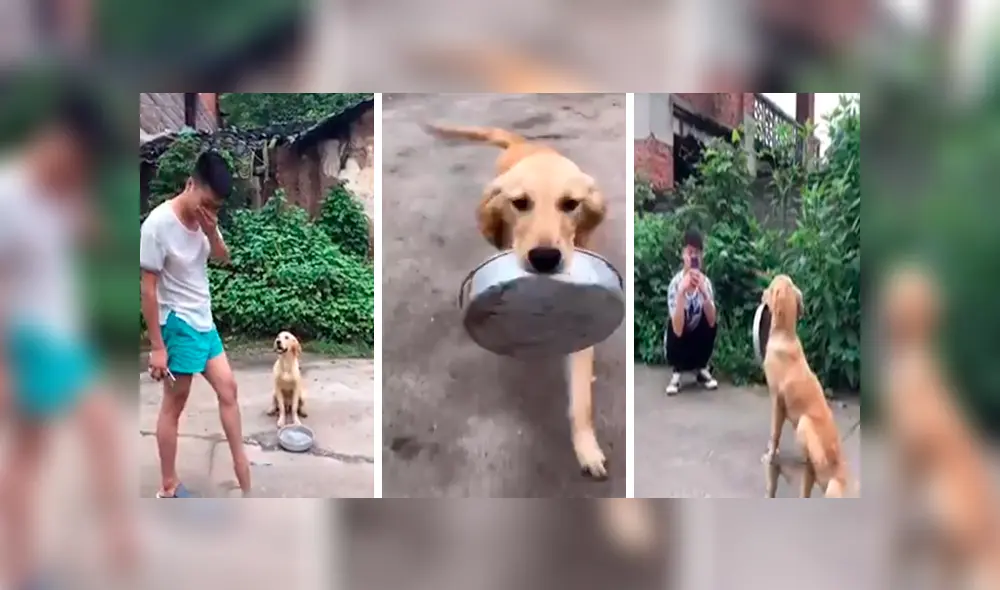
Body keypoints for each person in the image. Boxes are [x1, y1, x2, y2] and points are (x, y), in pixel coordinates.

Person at [0, 90, 135, 589]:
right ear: (54, 138)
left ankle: (116, 538)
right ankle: (20, 569)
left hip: (64, 335)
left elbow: (81, 235)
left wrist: (86, 218)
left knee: (94, 434)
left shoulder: (61, 188)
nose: (77, 167)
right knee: (27, 456)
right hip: (31, 339)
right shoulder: (9, 194)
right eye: (75, 156)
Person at [139, 150, 252, 498]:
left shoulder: (207, 223)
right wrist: (158, 347)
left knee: (228, 389)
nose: (209, 211)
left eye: (217, 207)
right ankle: (168, 485)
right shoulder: (157, 226)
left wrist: (212, 231)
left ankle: (241, 468)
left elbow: (222, 258)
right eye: (207, 203)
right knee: (175, 404)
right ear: (190, 184)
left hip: (205, 321)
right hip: (179, 324)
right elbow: (147, 288)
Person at [663, 228, 719, 395]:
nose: (693, 257)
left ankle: (701, 367)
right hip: (679, 340)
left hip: (697, 338)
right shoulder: (675, 284)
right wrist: (681, 293)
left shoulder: (705, 283)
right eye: (690, 253)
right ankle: (677, 372)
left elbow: (711, 320)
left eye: (697, 253)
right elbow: (677, 328)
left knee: (710, 318)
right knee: (674, 322)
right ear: (683, 255)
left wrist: (703, 292)